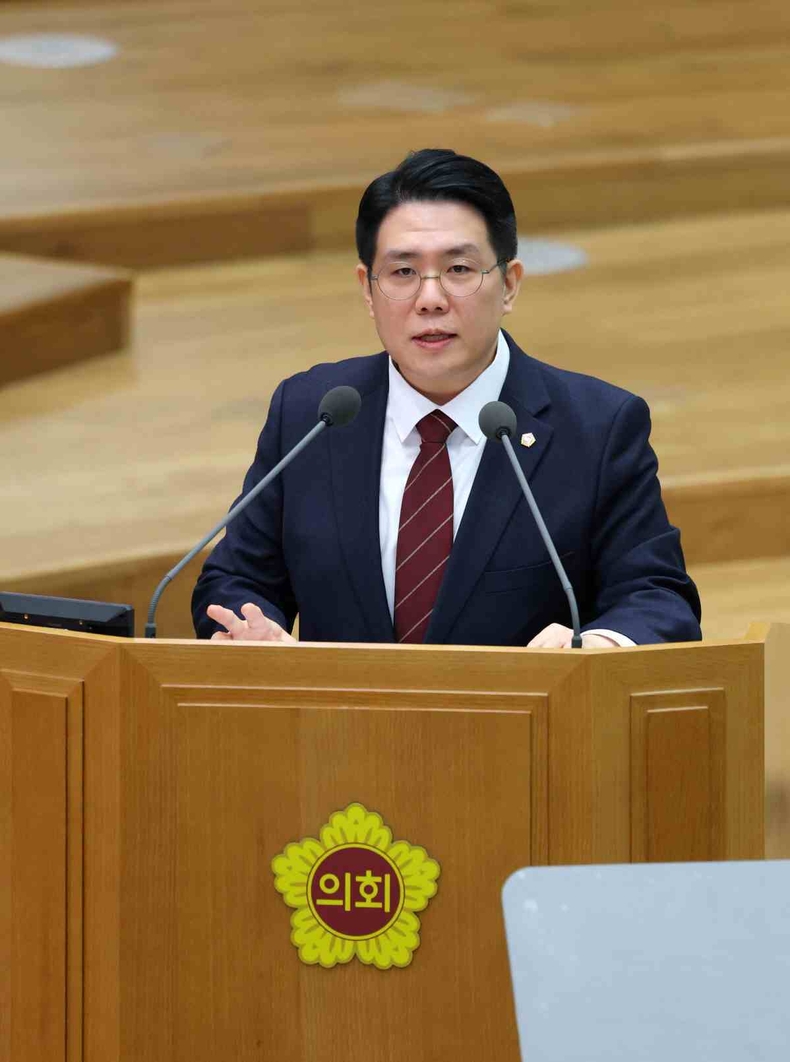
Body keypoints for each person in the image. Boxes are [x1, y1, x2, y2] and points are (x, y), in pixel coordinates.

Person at [192, 148, 701, 648]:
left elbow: (657, 597)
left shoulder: (596, 427)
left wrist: (595, 647)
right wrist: (251, 630)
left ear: (509, 285)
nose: (430, 299)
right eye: (403, 272)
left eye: (458, 269)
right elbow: (238, 578)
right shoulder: (311, 413)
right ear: (368, 290)